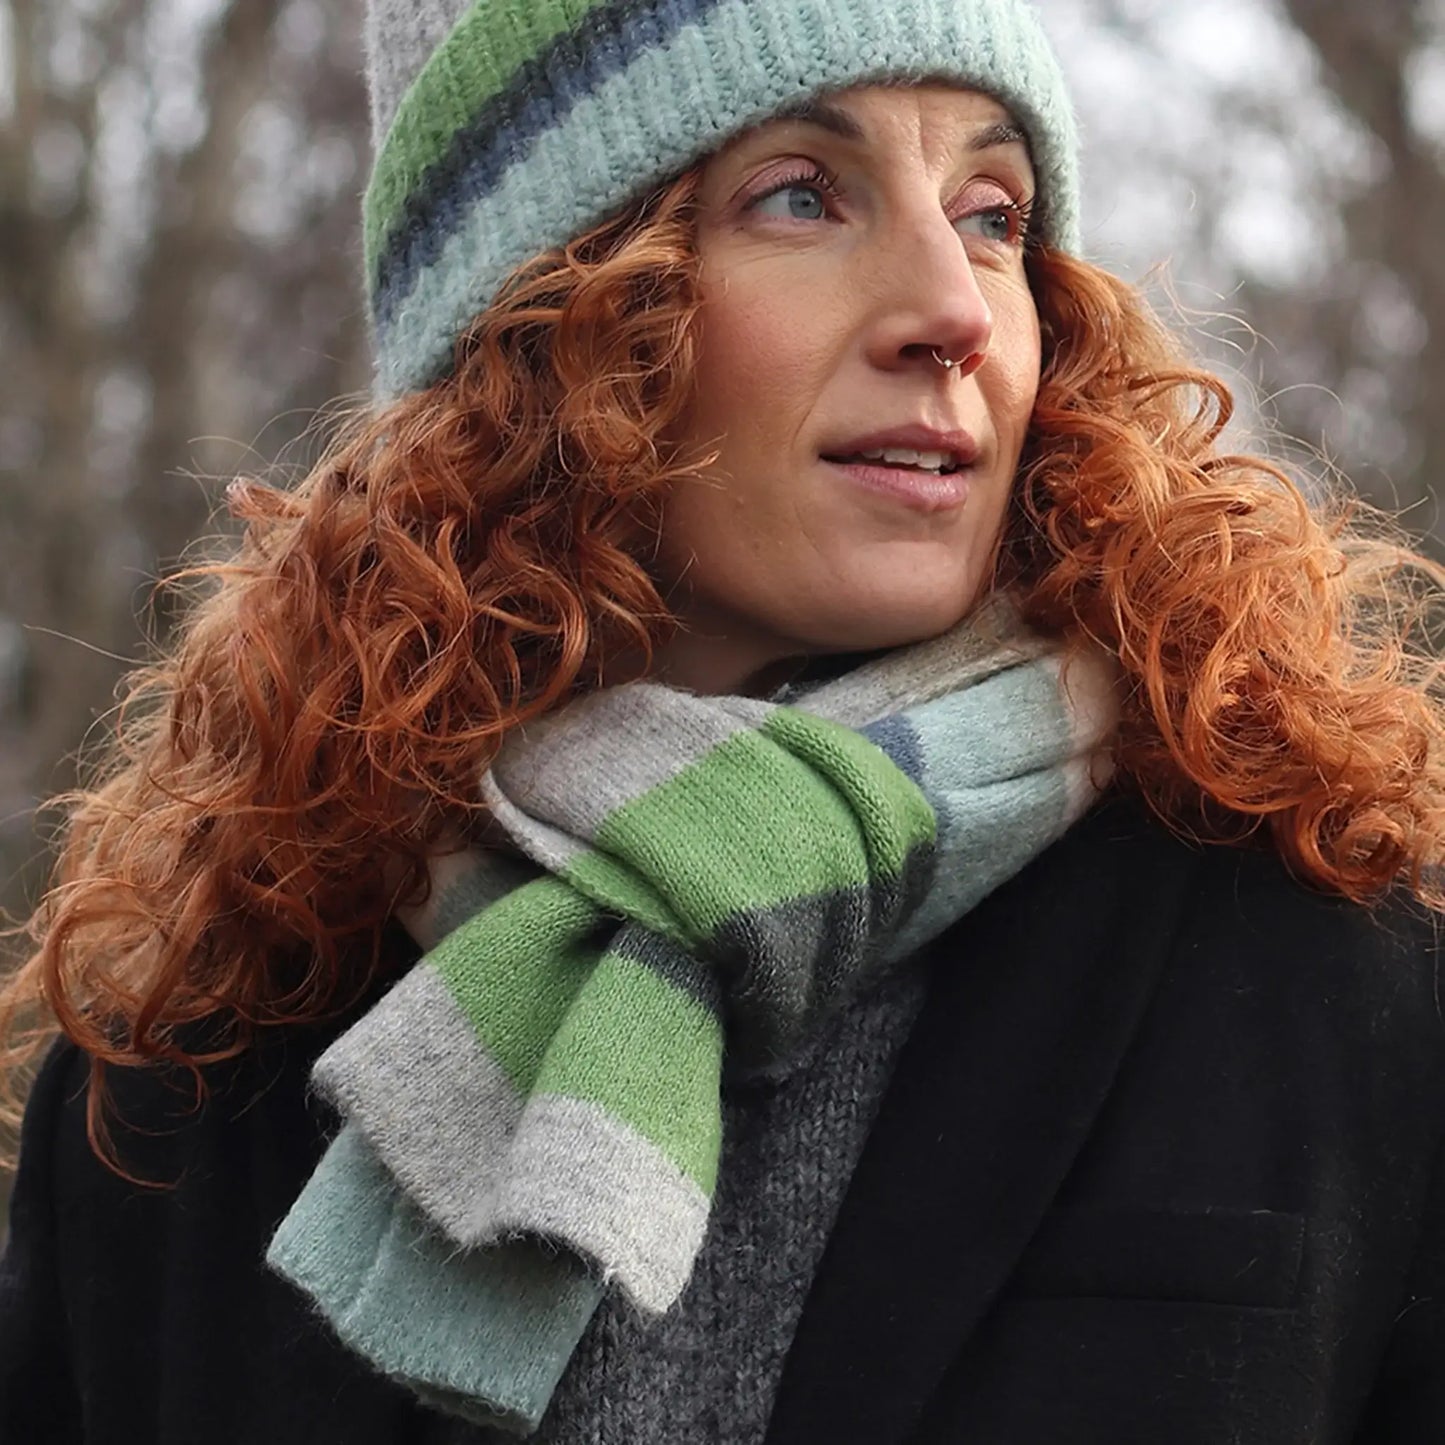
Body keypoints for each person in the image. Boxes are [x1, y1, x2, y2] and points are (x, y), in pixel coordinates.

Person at [1, 0, 1443, 1440]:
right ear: (543, 331)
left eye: (992, 213)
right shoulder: (186, 1082)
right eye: (802, 196)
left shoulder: (1321, 965)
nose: (952, 310)